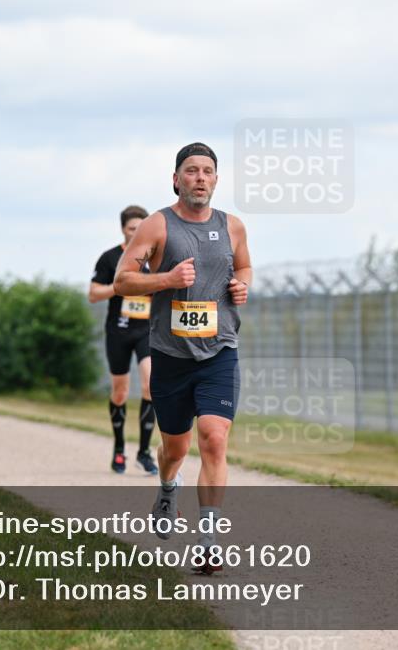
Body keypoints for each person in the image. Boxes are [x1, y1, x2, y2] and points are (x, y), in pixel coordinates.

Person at [114, 142, 251, 574]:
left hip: (219, 352)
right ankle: (168, 485)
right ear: (176, 179)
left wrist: (242, 286)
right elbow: (122, 281)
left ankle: (208, 541)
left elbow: (244, 267)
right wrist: (167, 279)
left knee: (214, 438)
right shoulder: (157, 225)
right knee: (175, 448)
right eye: (191, 170)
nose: (199, 178)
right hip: (171, 355)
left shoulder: (233, 227)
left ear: (216, 179)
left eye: (207, 171)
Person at [89, 205, 158, 475]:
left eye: (141, 228)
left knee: (151, 384)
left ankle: (144, 452)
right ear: (122, 229)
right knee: (119, 390)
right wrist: (118, 287)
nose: (136, 233)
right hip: (118, 331)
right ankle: (119, 449)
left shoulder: (155, 258)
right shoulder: (110, 258)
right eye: (132, 229)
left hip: (147, 330)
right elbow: (93, 294)